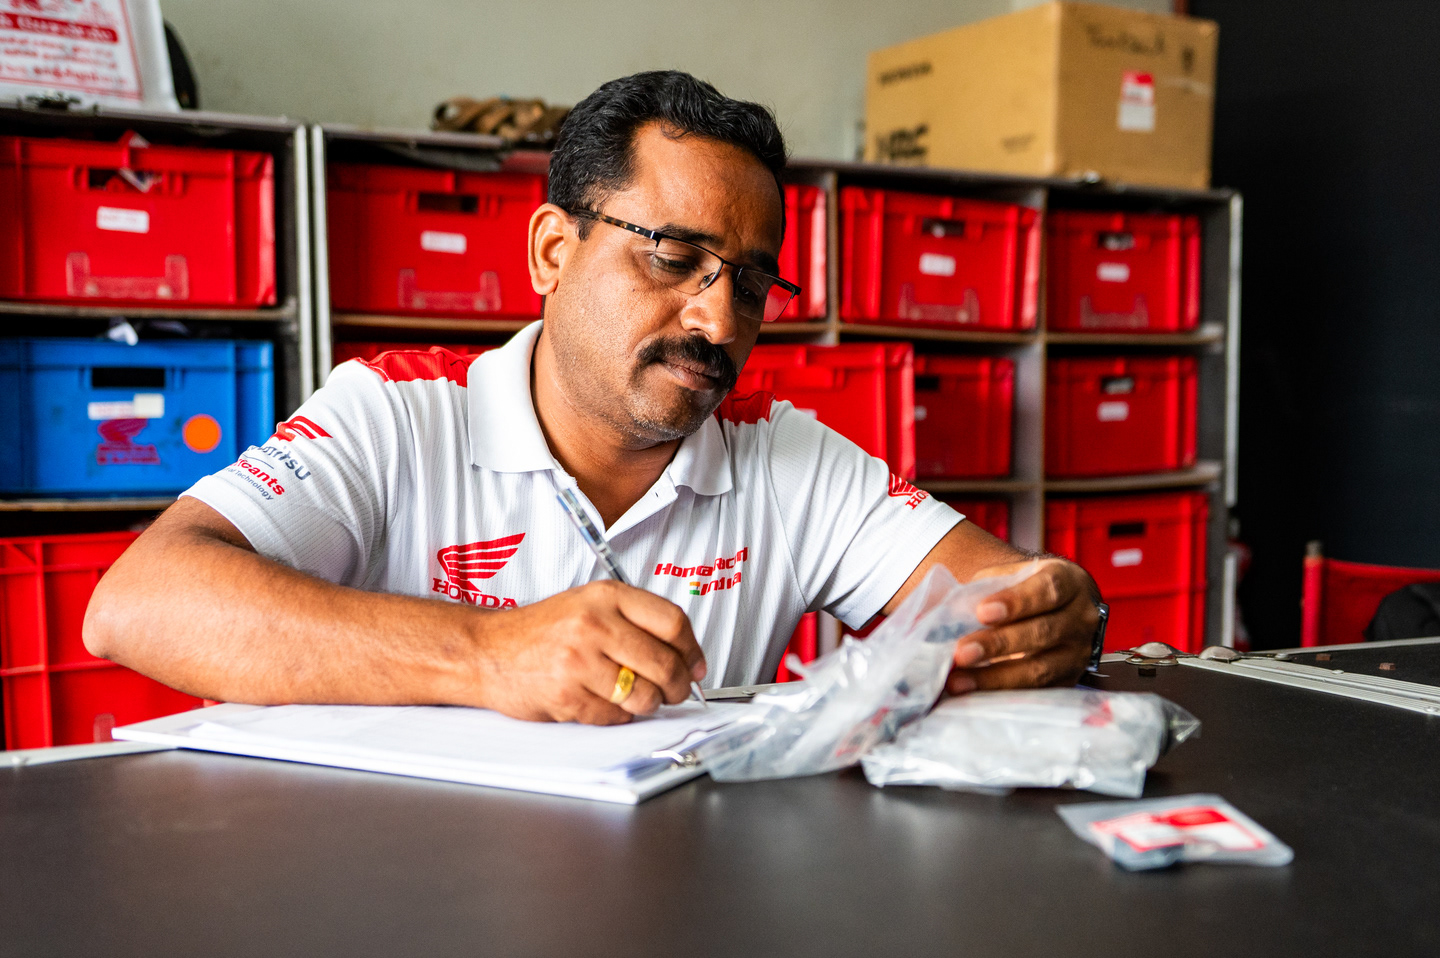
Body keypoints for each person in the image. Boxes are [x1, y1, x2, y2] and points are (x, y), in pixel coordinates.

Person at [83, 71, 1101, 725]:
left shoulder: (783, 454)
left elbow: (1009, 589)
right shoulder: (396, 412)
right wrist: (486, 654)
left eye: (750, 283)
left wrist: (1056, 611)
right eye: (672, 257)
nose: (717, 320)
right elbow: (139, 602)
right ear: (552, 251)